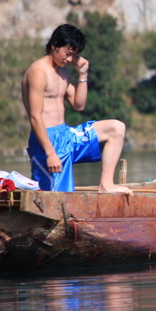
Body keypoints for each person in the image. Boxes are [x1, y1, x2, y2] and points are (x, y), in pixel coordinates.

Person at [22, 24, 133, 195]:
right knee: (57, 199)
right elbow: (35, 117)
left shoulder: (63, 72)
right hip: (46, 141)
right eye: (67, 53)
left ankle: (106, 184)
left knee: (116, 128)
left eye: (74, 55)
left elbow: (78, 104)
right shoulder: (38, 72)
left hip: (67, 135)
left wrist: (82, 75)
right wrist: (51, 153)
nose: (69, 59)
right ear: (54, 45)